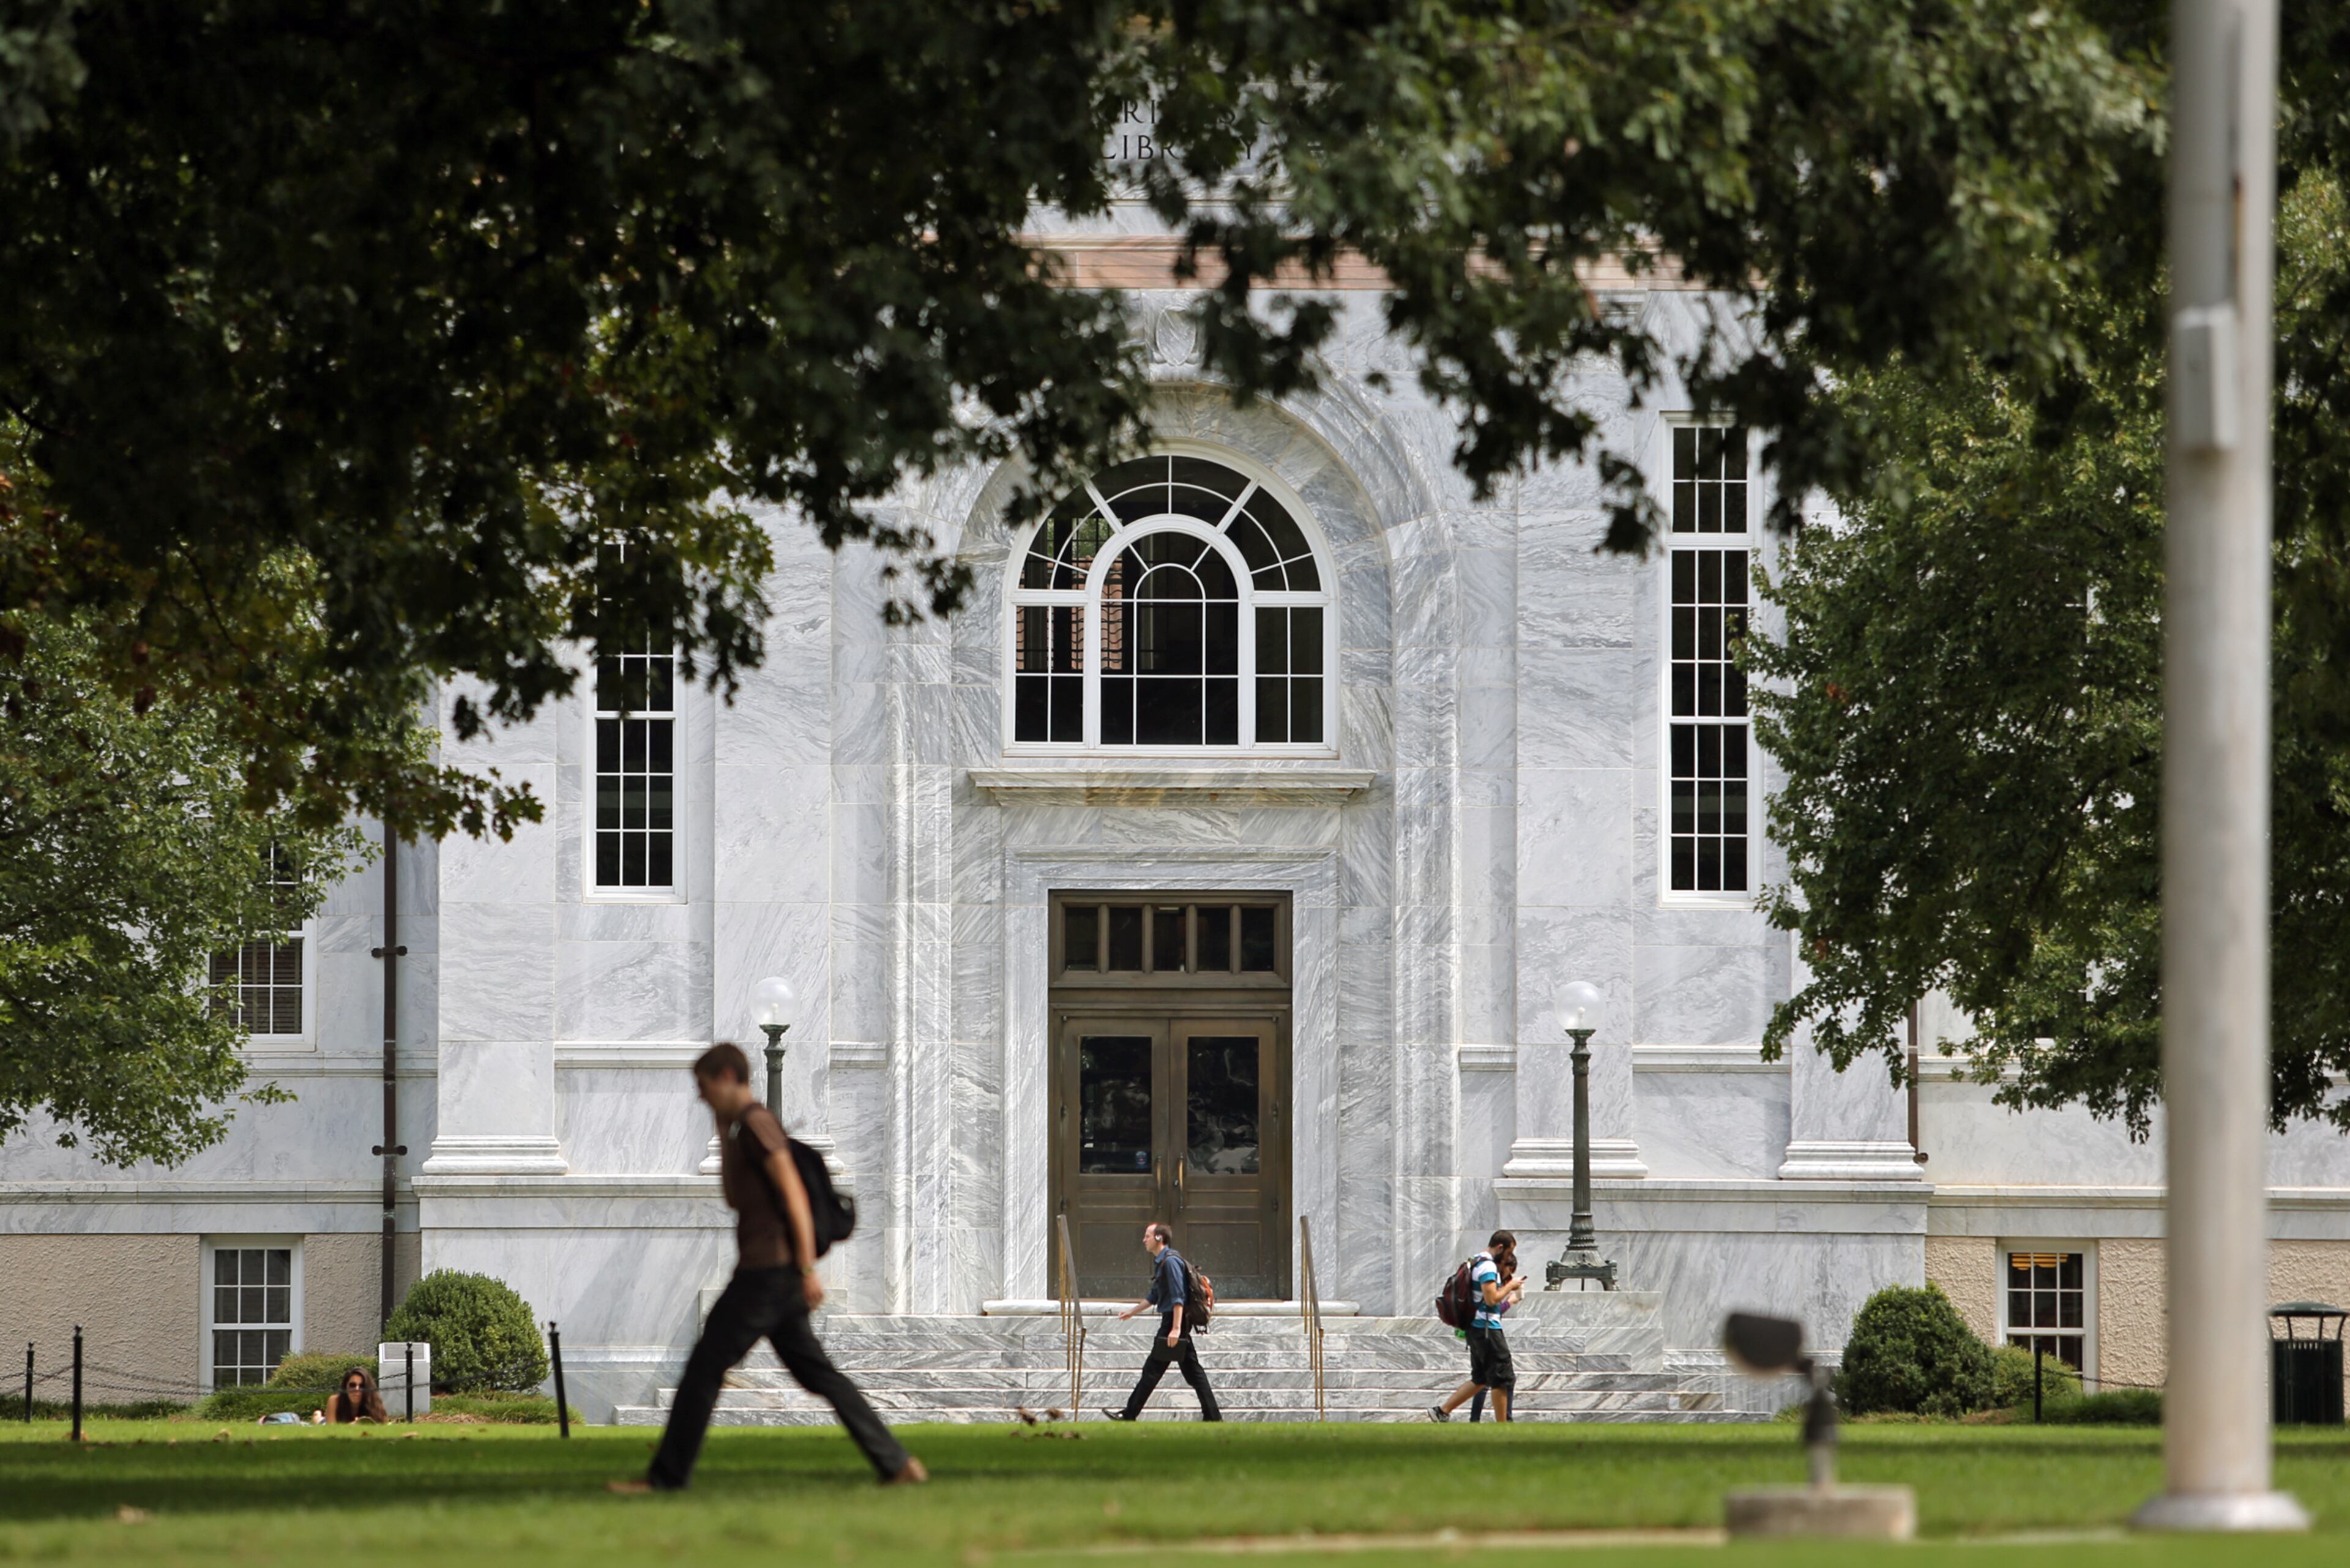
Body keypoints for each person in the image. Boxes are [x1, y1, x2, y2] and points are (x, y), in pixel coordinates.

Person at [611, 1042, 925, 1491]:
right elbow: (735, 1199)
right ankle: (897, 1464)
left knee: (704, 1368)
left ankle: (666, 1478)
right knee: (820, 1376)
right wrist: (721, 1128)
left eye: (703, 1087)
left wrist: (806, 1270)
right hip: (771, 1278)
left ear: (725, 1077)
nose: (700, 1097)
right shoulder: (742, 1128)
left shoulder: (759, 1124)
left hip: (767, 1278)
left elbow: (795, 1196)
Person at [1103, 1221, 1222, 1422]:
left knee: (1153, 1370)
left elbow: (1178, 1296)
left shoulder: (1171, 1262)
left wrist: (1175, 1329)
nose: (1144, 1240)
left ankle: (1130, 1413)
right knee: (1193, 1372)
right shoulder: (1163, 1262)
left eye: (1147, 1236)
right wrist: (1131, 1312)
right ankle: (1213, 1416)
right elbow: (1154, 1296)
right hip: (1175, 1322)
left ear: (1159, 1238)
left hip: (1175, 1323)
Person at [1428, 1230, 1525, 1423]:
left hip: (1476, 1328)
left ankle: (1442, 1411)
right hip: (1487, 1328)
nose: (1508, 1258)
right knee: (1503, 1377)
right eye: (1508, 1253)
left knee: (1481, 1378)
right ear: (1500, 1248)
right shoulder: (1488, 1266)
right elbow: (1491, 1299)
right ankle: (1502, 1426)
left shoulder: (1475, 1261)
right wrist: (1510, 1287)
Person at [314, 1367, 388, 1424]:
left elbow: (384, 1427)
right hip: (326, 1424)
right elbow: (331, 1432)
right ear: (346, 1386)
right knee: (318, 1420)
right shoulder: (335, 1400)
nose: (357, 1389)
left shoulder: (374, 1402)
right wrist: (353, 1426)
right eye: (352, 1385)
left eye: (362, 1386)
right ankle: (317, 1415)